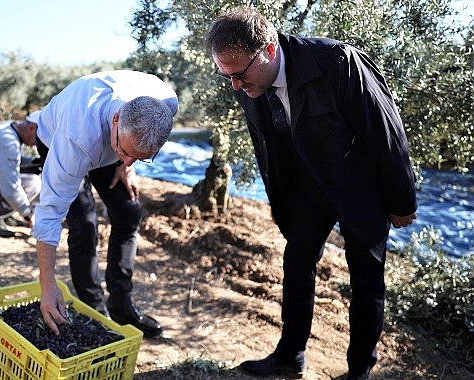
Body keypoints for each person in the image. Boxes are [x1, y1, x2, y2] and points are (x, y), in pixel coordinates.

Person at [205, 6, 417, 380]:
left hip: (361, 187)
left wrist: (402, 201)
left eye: (238, 74)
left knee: (366, 279)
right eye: (227, 76)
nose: (235, 85)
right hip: (308, 189)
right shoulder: (246, 81)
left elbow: (387, 132)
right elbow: (266, 145)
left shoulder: (337, 61)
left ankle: (358, 372)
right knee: (296, 263)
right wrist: (279, 200)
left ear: (269, 50)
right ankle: (290, 355)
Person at [32, 70, 178, 338]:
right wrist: (48, 284)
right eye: (124, 152)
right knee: (84, 226)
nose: (128, 159)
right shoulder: (75, 141)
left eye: (140, 158)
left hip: (113, 139)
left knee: (128, 212)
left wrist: (127, 164)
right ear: (116, 119)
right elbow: (49, 215)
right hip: (56, 136)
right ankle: (95, 310)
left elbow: (134, 143)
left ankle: (121, 303)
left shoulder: (166, 102)